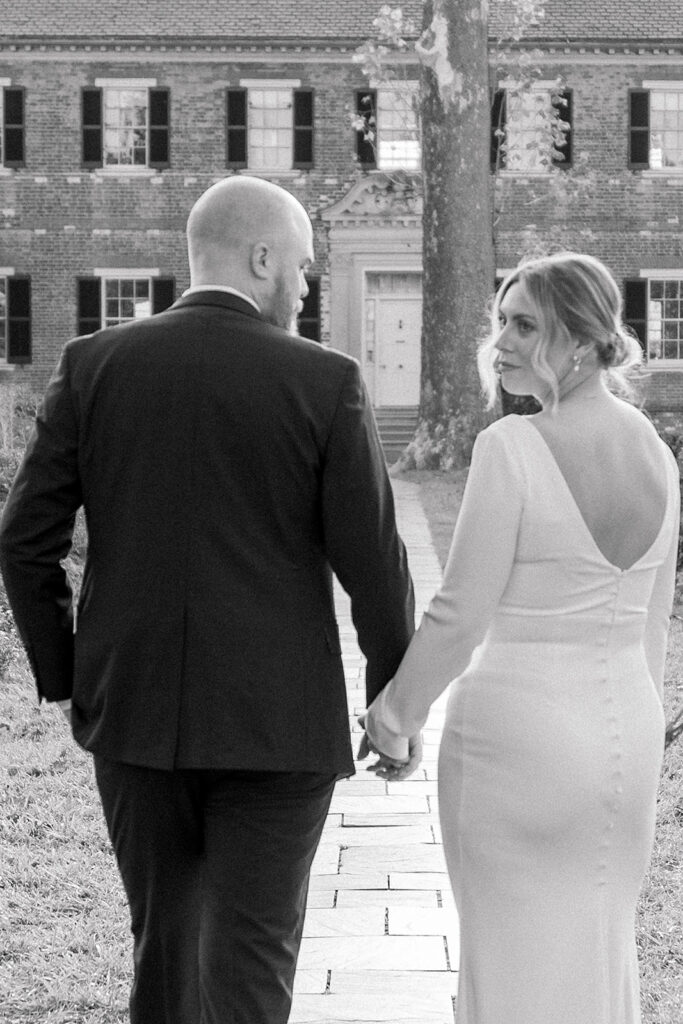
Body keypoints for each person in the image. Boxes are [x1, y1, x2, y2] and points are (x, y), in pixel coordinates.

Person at [0, 176, 415, 1024]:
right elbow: (373, 564)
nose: (303, 287)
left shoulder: (94, 365)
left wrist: (69, 670)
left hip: (134, 715)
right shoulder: (325, 381)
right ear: (262, 258)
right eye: (301, 269)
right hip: (276, 726)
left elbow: (21, 540)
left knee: (164, 954)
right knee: (251, 968)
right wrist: (392, 703)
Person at [362, 252, 679, 1024]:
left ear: (577, 337)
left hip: (517, 747)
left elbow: (459, 615)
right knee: (596, 950)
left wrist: (392, 718)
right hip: (624, 745)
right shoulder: (658, 456)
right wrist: (644, 735)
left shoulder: (511, 448)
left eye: (522, 323)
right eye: (499, 320)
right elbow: (651, 627)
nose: (498, 340)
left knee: (507, 966)